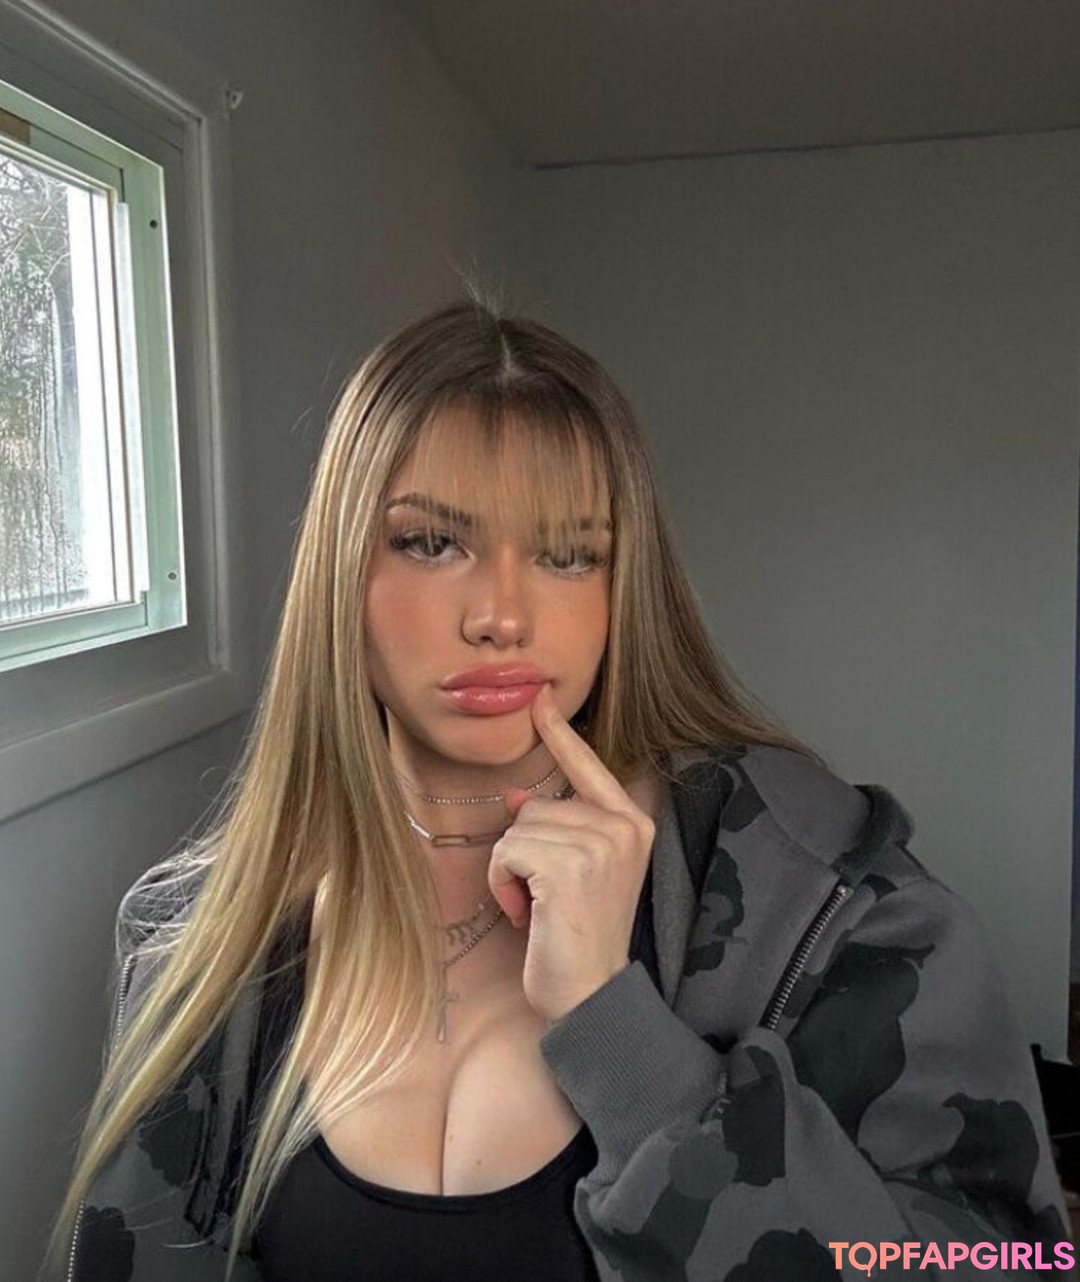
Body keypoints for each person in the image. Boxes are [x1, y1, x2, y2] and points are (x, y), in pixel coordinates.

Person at [47, 301, 1071, 1282]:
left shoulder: (821, 892)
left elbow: (1004, 1260)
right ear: (340, 571)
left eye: (568, 554)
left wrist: (625, 1042)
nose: (502, 615)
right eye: (431, 542)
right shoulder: (200, 939)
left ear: (624, 587)